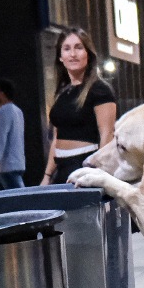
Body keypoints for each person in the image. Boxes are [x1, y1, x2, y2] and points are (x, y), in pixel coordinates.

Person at [41, 27, 116, 183]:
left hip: (86, 167)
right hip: (60, 169)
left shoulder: (100, 89)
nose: (73, 54)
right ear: (60, 57)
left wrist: (100, 174)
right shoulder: (62, 92)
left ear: (88, 54)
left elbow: (107, 134)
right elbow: (57, 137)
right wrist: (47, 176)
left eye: (79, 47)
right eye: (67, 49)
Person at [0, 77, 26, 191]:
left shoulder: (3, 112)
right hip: (18, 162)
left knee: (19, 200)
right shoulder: (17, 111)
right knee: (0, 196)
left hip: (7, 166)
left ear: (1, 94)